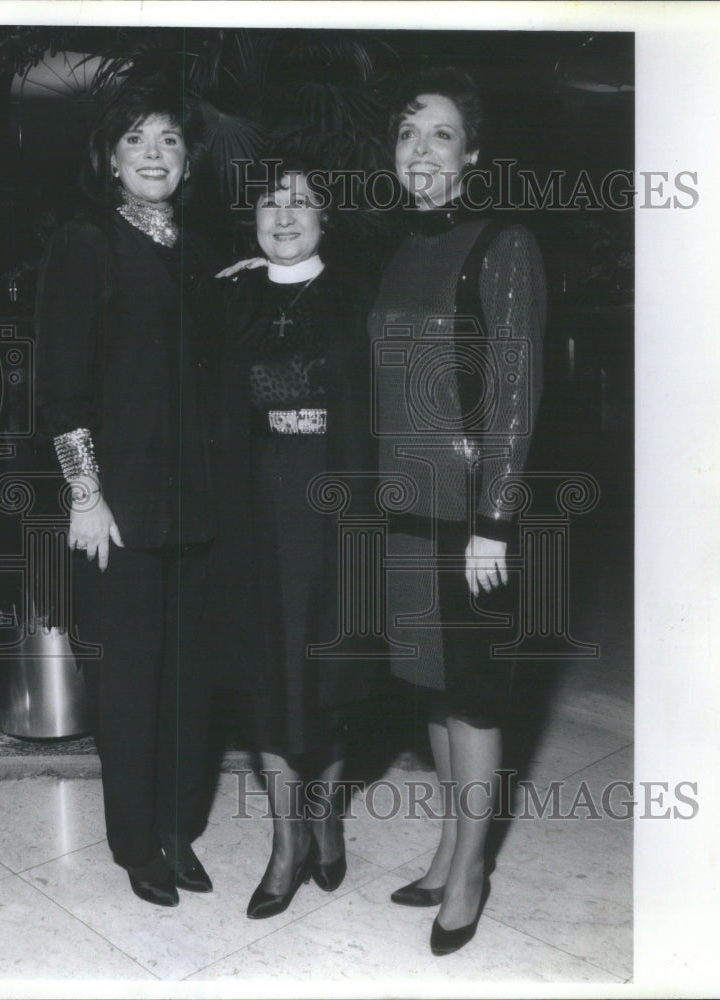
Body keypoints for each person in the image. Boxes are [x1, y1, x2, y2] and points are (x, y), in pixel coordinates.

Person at [369, 68, 546, 955]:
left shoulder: (501, 242)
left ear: (471, 155)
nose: (421, 150)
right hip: (403, 506)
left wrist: (495, 520)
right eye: (407, 134)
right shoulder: (399, 248)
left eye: (440, 134)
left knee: (473, 698)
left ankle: (471, 872)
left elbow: (515, 392)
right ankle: (448, 849)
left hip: (469, 515)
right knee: (430, 689)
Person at [35, 82, 221, 907]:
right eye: (138, 138)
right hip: (118, 508)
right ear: (110, 156)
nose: (155, 152)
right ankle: (135, 842)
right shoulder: (85, 242)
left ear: (188, 161)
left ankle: (179, 829)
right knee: (132, 681)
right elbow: (62, 388)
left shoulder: (200, 249)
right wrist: (86, 496)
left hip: (199, 507)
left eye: (171, 139)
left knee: (187, 679)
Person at [209, 160, 374, 919]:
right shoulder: (226, 295)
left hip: (336, 498)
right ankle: (286, 844)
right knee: (268, 676)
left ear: (324, 219)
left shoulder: (355, 294)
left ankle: (327, 820)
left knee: (329, 673)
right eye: (269, 203)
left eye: (301, 202)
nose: (283, 215)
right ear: (250, 221)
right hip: (254, 508)